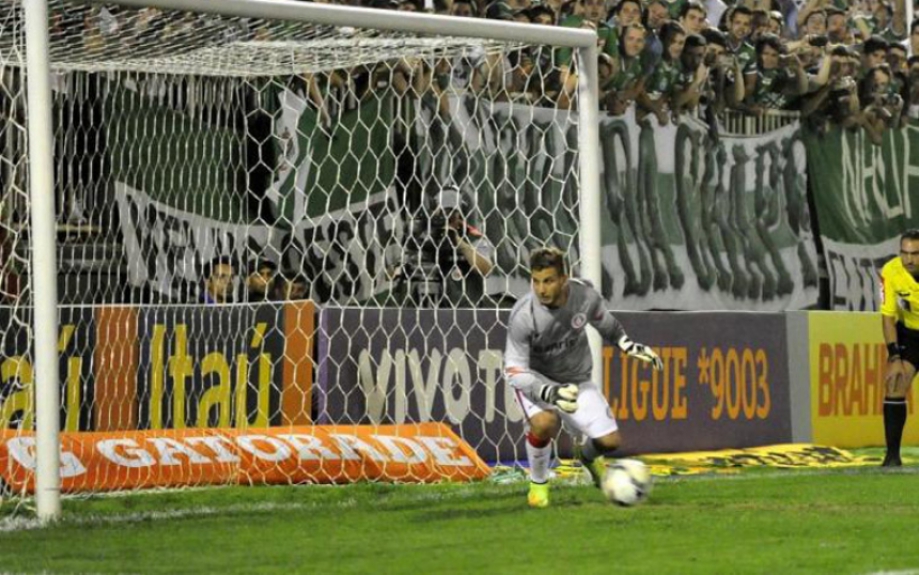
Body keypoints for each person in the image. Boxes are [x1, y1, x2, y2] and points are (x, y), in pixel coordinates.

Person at [504, 247, 664, 508]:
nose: (541, 289)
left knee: (609, 441)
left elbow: (606, 323)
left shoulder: (585, 297)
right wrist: (547, 392)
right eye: (536, 281)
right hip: (537, 380)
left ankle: (588, 458)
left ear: (563, 278)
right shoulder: (524, 316)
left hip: (576, 380)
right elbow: (514, 370)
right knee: (545, 423)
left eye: (548, 281)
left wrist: (626, 344)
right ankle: (538, 485)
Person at [399, 185, 494, 307]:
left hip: (466, 312)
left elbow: (486, 270)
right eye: (443, 213)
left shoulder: (474, 238)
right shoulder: (427, 236)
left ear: (461, 215)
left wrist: (458, 242)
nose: (447, 218)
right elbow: (399, 271)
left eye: (452, 213)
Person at [879, 229, 919, 467]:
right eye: (904, 253)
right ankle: (892, 456)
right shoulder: (890, 272)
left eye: (915, 254)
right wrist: (894, 355)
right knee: (894, 383)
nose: (909, 259)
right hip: (911, 334)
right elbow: (887, 317)